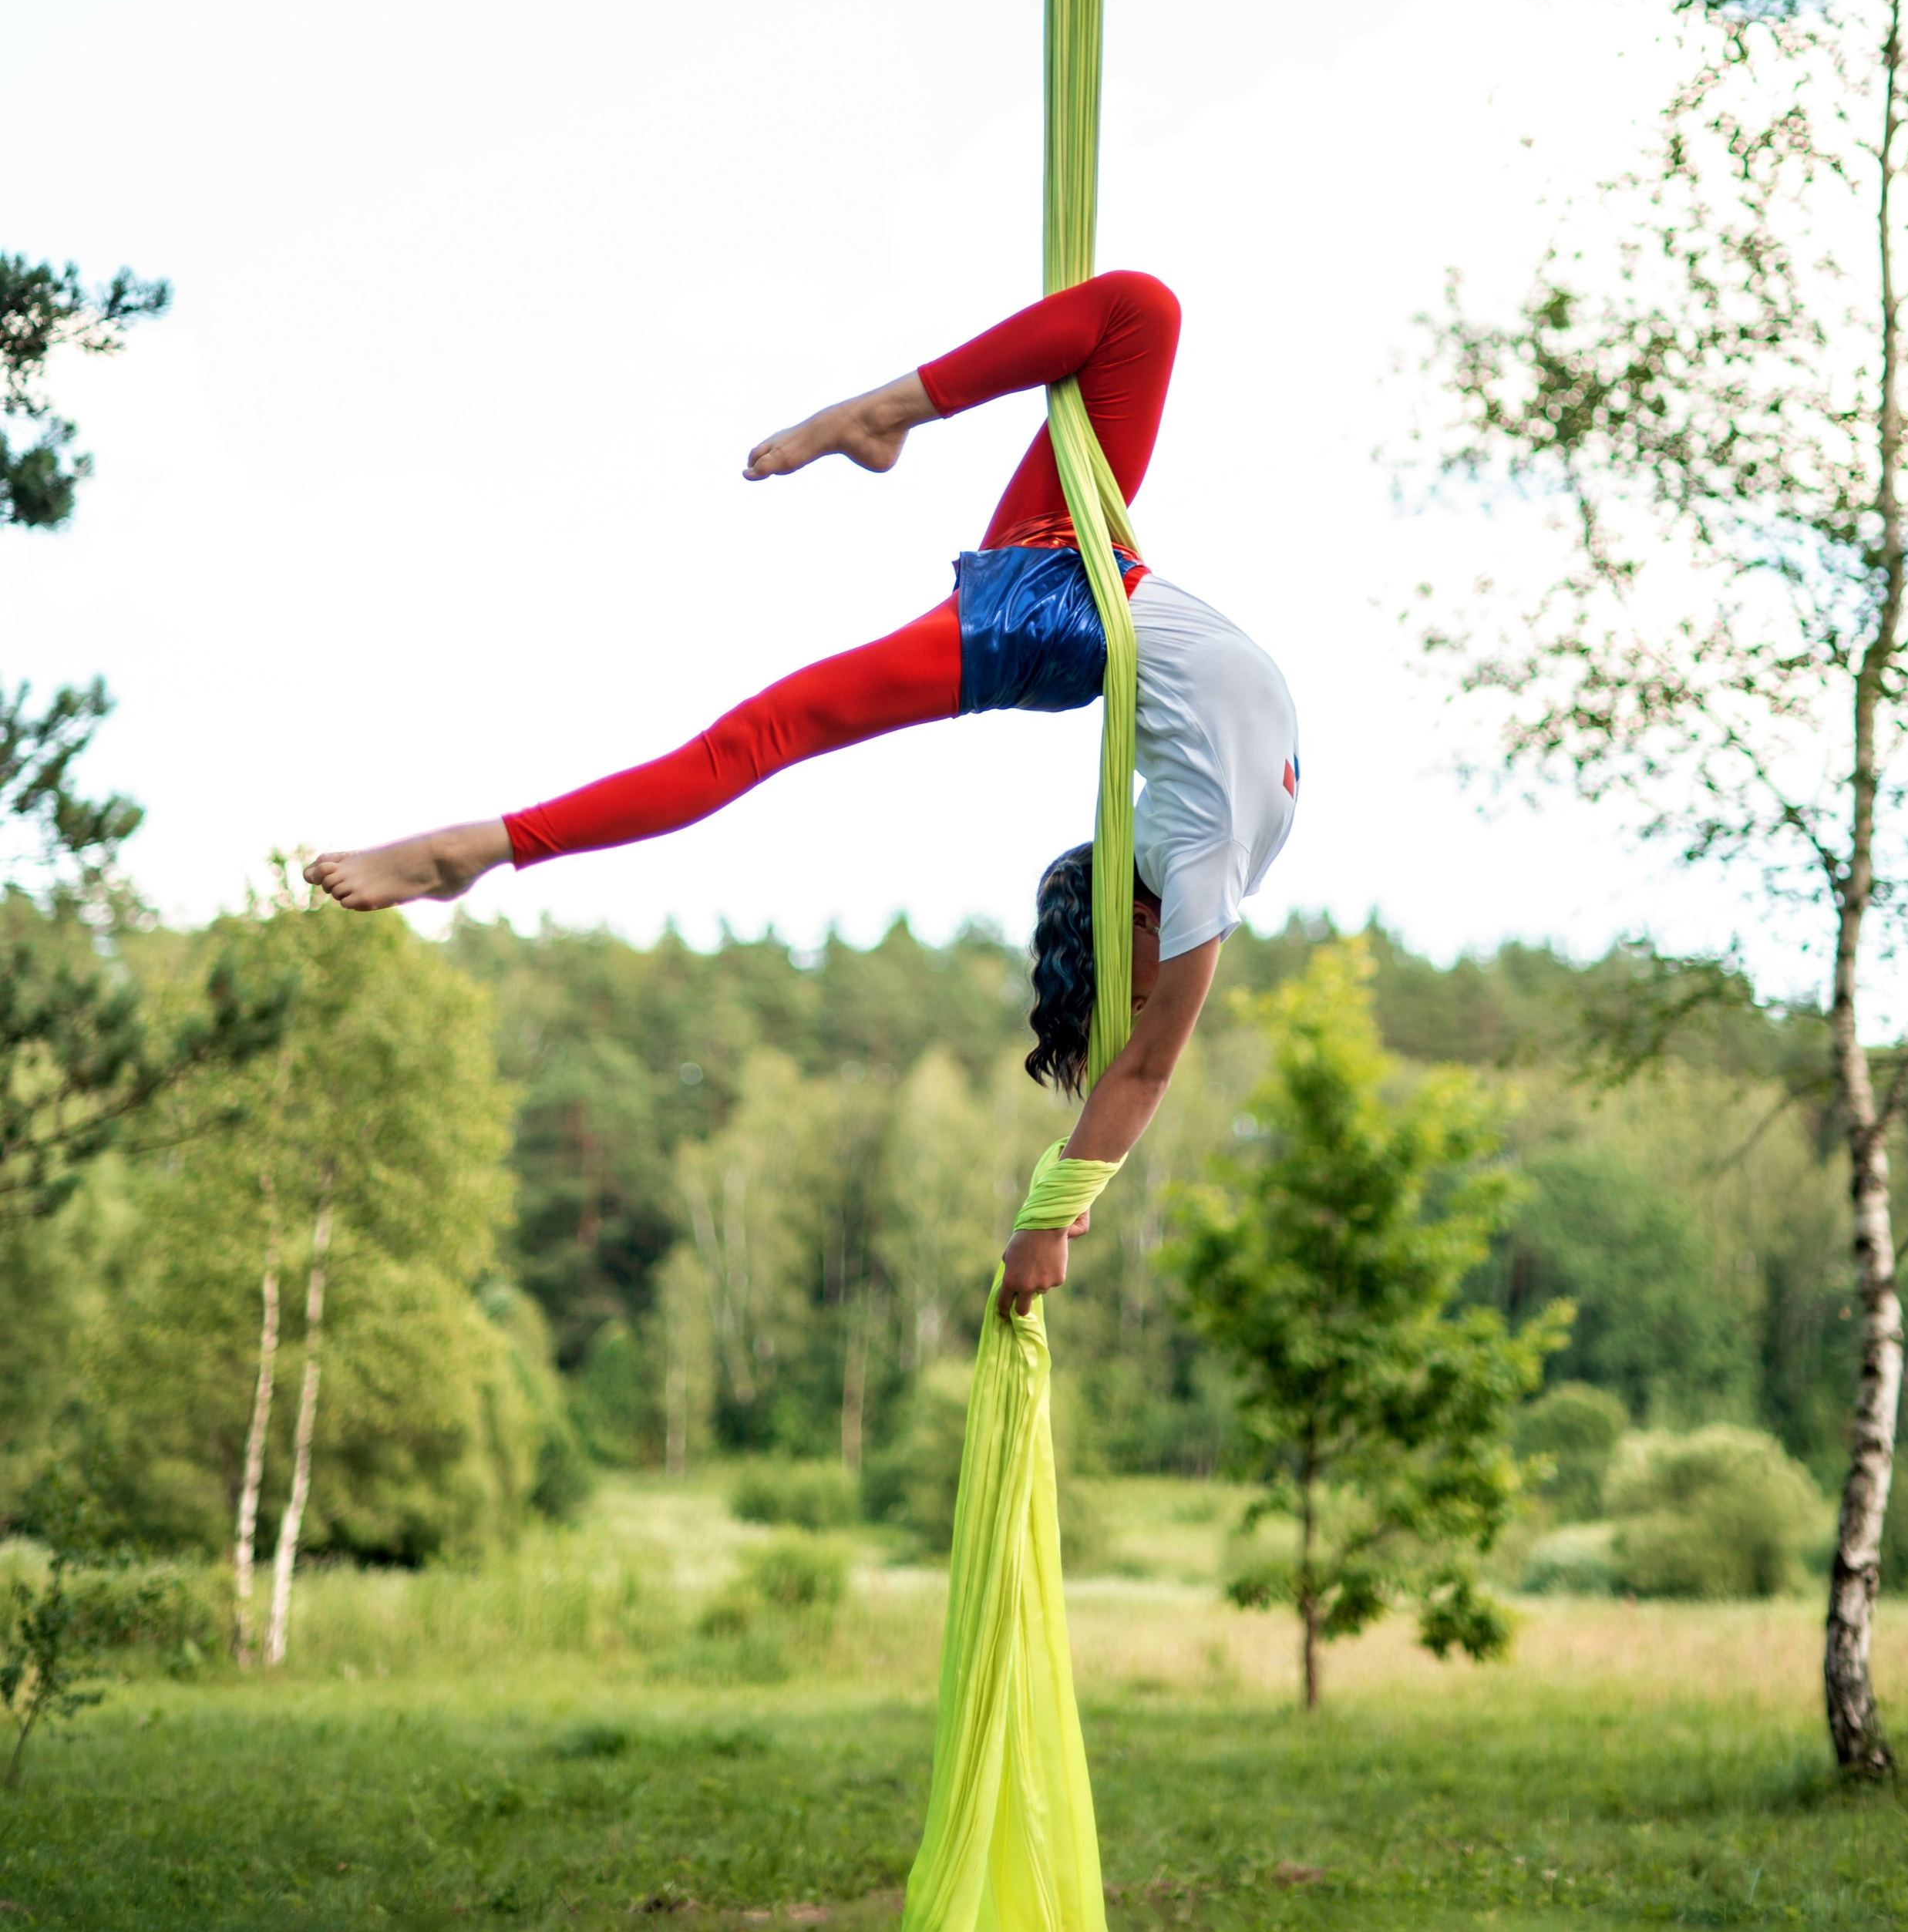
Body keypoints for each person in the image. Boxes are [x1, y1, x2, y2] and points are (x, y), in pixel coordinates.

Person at [304, 271, 1297, 1313]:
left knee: (757, 740)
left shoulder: (1191, 873)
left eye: (1139, 993)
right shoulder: (1194, 868)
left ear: (1123, 926)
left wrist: (1052, 1211)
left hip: (1060, 623)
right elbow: (1133, 1071)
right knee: (1141, 310)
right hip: (1087, 572)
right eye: (1145, 999)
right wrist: (1077, 1184)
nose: (1165, 1003)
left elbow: (1141, 1075)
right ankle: (882, 416)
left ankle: (474, 849)